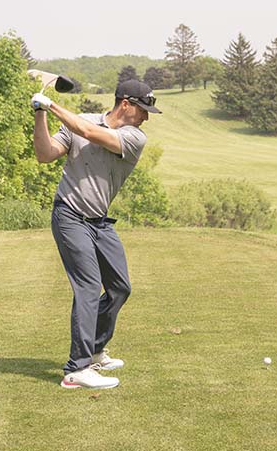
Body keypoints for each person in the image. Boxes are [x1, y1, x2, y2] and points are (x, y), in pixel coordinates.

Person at [31, 79, 161, 389]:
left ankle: (96, 350)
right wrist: (40, 114)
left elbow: (89, 134)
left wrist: (51, 104)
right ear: (126, 104)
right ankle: (77, 368)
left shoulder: (133, 138)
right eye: (143, 110)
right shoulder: (83, 122)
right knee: (89, 286)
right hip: (69, 216)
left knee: (119, 288)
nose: (146, 117)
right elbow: (45, 154)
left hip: (99, 221)